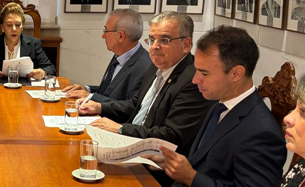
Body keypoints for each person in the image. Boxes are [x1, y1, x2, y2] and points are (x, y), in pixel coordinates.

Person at [145, 26, 286, 187]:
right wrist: (168, 161)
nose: (195, 79)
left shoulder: (259, 130)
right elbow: (204, 160)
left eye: (204, 73)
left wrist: (191, 177)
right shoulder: (220, 104)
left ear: (236, 73)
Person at [79, 12, 211, 156]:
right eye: (152, 39)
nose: (154, 47)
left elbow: (172, 135)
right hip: (130, 143)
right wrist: (99, 107)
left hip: (156, 159)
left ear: (186, 45)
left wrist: (121, 129)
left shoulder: (192, 80)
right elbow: (136, 104)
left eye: (164, 40)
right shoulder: (156, 67)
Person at [62, 9, 152, 104]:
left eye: (106, 31)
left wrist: (91, 96)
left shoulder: (145, 67)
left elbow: (131, 108)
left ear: (121, 36)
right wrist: (87, 89)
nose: (103, 36)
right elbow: (110, 91)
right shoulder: (120, 54)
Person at [0, 3, 55, 80]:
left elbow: (50, 68)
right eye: (9, 25)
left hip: (24, 89)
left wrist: (42, 72)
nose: (14, 29)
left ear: (22, 26)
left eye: (18, 25)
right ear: (2, 27)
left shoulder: (34, 43)